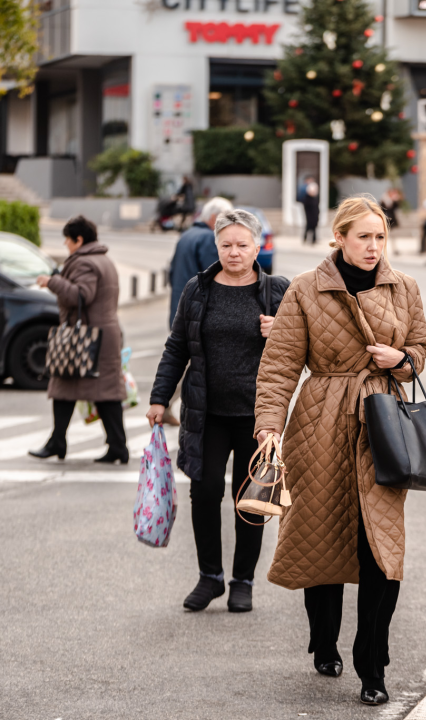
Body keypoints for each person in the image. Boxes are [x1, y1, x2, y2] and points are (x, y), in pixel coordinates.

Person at [254, 194, 426, 706]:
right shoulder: (305, 288)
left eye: (380, 237)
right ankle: (324, 638)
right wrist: (269, 427)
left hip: (383, 423)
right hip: (321, 421)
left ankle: (372, 663)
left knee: (382, 548)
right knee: (321, 534)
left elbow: (421, 349)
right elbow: (280, 364)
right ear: (339, 238)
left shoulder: (404, 287)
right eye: (364, 237)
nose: (374, 246)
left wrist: (401, 359)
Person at [148, 209, 289, 613]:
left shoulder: (277, 291)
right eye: (226, 244)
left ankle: (242, 580)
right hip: (206, 413)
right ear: (216, 246)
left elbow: (305, 348)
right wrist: (160, 398)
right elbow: (177, 346)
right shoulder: (198, 289)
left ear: (257, 247)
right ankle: (209, 576)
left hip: (257, 417)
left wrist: (279, 332)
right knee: (205, 490)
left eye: (242, 245)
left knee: (251, 498)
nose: (234, 252)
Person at [29, 216, 127, 464]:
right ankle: (117, 446)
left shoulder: (84, 262)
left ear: (79, 240)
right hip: (103, 334)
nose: (65, 244)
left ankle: (58, 442)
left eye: (68, 240)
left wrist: (52, 282)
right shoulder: (104, 259)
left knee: (65, 387)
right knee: (104, 392)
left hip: (85, 338)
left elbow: (81, 295)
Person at [169, 196, 232, 326]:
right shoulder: (208, 238)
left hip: (178, 312)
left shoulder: (186, 235)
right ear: (214, 218)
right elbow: (216, 280)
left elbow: (171, 273)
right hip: (197, 317)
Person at [303, 179, 320, 245]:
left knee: (314, 228)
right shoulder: (307, 199)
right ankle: (305, 238)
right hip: (309, 216)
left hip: (315, 216)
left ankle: (314, 239)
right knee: (308, 227)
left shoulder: (315, 198)